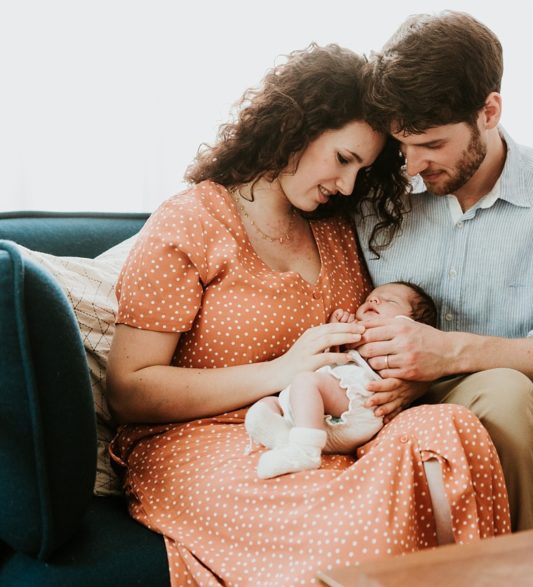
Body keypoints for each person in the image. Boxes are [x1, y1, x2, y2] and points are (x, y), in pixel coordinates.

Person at [106, 44, 510, 586]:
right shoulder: (192, 221)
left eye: (361, 171)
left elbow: (369, 342)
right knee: (337, 520)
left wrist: (400, 385)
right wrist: (282, 372)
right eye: (343, 159)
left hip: (334, 424)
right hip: (203, 439)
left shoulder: (337, 228)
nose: (346, 186)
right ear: (296, 126)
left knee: (449, 429)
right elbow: (129, 389)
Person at [354, 11, 533, 532]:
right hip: (434, 396)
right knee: (503, 394)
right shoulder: (375, 196)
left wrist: (451, 351)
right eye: (402, 145)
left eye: (431, 144)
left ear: (489, 111)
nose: (412, 165)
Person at [246, 281, 437, 479]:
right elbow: (335, 362)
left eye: (389, 300)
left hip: (363, 405)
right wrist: (335, 330)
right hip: (329, 412)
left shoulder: (400, 336)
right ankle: (287, 441)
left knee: (306, 382)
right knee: (268, 404)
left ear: (412, 324)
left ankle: (305, 451)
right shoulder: (357, 333)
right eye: (370, 298)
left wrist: (348, 330)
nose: (374, 299)